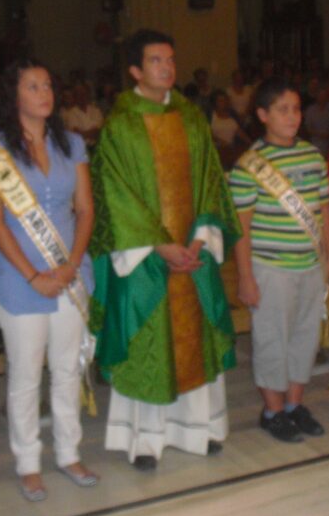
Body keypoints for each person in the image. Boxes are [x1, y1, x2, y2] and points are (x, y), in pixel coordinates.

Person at [90, 29, 241, 470]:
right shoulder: (120, 125)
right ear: (135, 70)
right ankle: (145, 441)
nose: (167, 68)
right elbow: (113, 193)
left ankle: (199, 430)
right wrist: (160, 244)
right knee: (148, 344)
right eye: (156, 61)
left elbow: (210, 180)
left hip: (192, 255)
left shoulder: (191, 118)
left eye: (171, 60)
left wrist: (197, 240)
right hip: (146, 259)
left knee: (196, 339)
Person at [0, 58, 98, 502]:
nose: (45, 93)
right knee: (25, 375)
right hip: (19, 280)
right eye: (33, 86)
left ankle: (69, 453)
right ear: (14, 95)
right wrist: (33, 275)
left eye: (48, 85)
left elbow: (86, 209)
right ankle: (28, 463)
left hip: (70, 272)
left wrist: (71, 264)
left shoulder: (71, 144)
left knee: (67, 369)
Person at [228, 79, 329, 442]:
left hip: (310, 264)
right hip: (270, 267)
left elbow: (324, 212)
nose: (292, 117)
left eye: (296, 109)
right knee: (272, 340)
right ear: (263, 115)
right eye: (282, 110)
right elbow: (241, 227)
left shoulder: (313, 156)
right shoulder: (249, 166)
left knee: (305, 337)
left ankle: (294, 405)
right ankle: (272, 411)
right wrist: (246, 277)